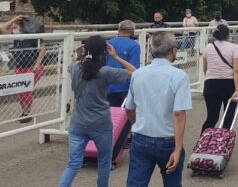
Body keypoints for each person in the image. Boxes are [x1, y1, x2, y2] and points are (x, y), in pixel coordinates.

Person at [58, 35, 137, 187]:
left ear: (86, 50)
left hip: (78, 123)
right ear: (104, 52)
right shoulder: (106, 71)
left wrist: (78, 55)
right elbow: (134, 72)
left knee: (73, 164)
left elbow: (69, 66)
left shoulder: (76, 67)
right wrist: (116, 56)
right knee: (104, 162)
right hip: (101, 123)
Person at [125, 32, 192, 186]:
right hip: (168, 140)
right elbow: (179, 113)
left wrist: (137, 125)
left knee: (136, 183)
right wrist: (178, 148)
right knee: (172, 182)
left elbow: (129, 109)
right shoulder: (179, 76)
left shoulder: (138, 74)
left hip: (141, 137)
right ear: (173, 50)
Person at [201, 24, 238, 134]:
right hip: (228, 84)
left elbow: (205, 67)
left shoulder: (208, 47)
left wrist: (208, 78)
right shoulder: (234, 47)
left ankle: (203, 142)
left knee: (212, 117)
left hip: (210, 84)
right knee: (228, 116)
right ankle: (222, 143)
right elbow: (236, 70)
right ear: (228, 35)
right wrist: (237, 89)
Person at [6, 16, 46, 123]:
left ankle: (27, 112)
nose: (13, 28)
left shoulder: (31, 35)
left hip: (31, 67)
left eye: (15, 26)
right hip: (19, 66)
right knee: (20, 91)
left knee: (26, 90)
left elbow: (43, 48)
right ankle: (24, 111)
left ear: (21, 26)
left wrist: (37, 64)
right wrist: (15, 18)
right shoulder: (15, 36)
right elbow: (3, 29)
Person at [105, 20, 140, 106]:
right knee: (125, 117)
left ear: (119, 30)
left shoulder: (108, 43)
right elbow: (135, 70)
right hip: (125, 88)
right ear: (132, 31)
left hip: (107, 86)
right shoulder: (134, 45)